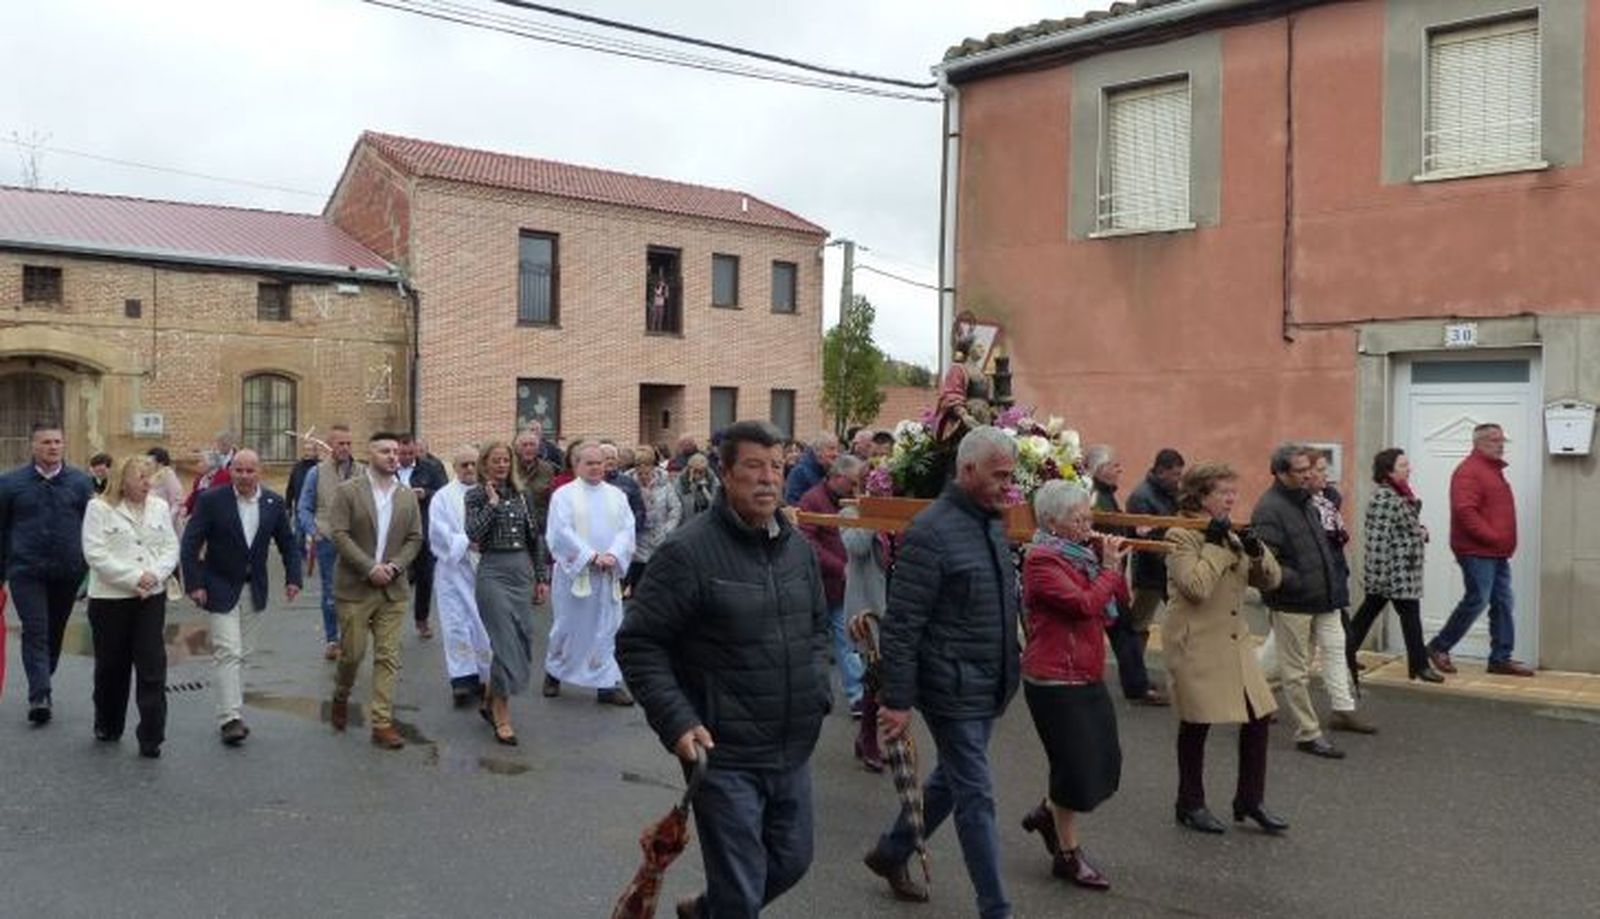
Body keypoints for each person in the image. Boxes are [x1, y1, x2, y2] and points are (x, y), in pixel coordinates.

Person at [619, 420, 829, 919]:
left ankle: (705, 911)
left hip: (792, 745)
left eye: (776, 467)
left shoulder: (798, 551)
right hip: (723, 750)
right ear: (725, 474)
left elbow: (818, 628)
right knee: (741, 892)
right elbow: (639, 642)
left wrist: (818, 690)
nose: (767, 479)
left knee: (792, 861)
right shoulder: (687, 552)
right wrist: (677, 720)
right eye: (753, 466)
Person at [864, 426, 1022, 919]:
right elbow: (904, 622)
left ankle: (891, 851)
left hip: (987, 681)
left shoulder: (992, 524)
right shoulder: (931, 531)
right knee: (976, 794)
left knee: (952, 781)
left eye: (1011, 477)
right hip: (949, 685)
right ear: (968, 470)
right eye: (999, 476)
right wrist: (896, 698)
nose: (1007, 486)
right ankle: (996, 908)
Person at [1164, 462, 1288, 835]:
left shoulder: (1230, 532)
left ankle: (1250, 800)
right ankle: (1190, 803)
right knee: (1196, 722)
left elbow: (1272, 580)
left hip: (1233, 642)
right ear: (1201, 496)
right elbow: (1196, 587)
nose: (1232, 499)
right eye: (1223, 492)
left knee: (1258, 715)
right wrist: (1216, 547)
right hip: (1196, 641)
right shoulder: (1180, 534)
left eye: (1234, 492)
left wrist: (1255, 551)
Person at [1017, 480, 1127, 889]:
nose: (1088, 525)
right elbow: (1084, 606)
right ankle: (1067, 855)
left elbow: (1112, 612)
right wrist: (1109, 571)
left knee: (1104, 762)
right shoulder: (1042, 560)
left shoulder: (1081, 556)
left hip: (1086, 672)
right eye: (1078, 519)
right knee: (1074, 769)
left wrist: (1109, 566)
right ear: (1051, 522)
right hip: (1054, 680)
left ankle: (1047, 812)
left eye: (1089, 517)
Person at [1250, 444, 1372, 759]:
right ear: (1280, 473)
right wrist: (1298, 582)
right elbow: (1266, 562)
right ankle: (1308, 733)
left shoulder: (1307, 501)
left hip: (1322, 597)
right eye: (1301, 471)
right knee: (1295, 671)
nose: (1310, 475)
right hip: (1293, 601)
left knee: (1308, 660)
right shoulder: (1269, 508)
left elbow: (1320, 548)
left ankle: (1251, 697)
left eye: (1310, 469)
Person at [179, 449, 302, 746]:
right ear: (230, 471)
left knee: (244, 653)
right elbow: (191, 543)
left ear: (260, 472)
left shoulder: (273, 503)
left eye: (250, 471)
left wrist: (293, 578)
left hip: (254, 588)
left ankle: (232, 707)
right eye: (239, 471)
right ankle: (230, 718)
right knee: (228, 651)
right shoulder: (212, 501)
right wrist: (194, 583)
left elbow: (288, 543)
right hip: (219, 584)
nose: (244, 477)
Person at [327, 432, 424, 750]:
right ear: (370, 455)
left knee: (388, 656)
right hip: (356, 586)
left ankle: (382, 723)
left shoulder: (407, 496)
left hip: (393, 590)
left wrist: (394, 567)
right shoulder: (348, 492)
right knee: (353, 654)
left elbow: (415, 539)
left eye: (396, 451)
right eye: (385, 451)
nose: (393, 456)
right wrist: (369, 567)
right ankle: (341, 694)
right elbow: (339, 534)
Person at [81, 455, 179, 757]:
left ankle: (151, 736)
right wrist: (134, 577)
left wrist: (156, 575)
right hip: (110, 599)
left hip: (151, 597)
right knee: (112, 666)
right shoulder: (99, 508)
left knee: (152, 665)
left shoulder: (159, 507)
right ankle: (108, 723)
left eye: (150, 477)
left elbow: (170, 546)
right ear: (122, 481)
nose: (148, 484)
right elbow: (95, 554)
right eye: (141, 478)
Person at [0, 423, 96, 724]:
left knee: (55, 631)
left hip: (67, 570)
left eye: (57, 442)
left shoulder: (80, 482)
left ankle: (44, 673)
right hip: (26, 570)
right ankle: (39, 694)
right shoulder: (10, 484)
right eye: (46, 442)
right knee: (36, 629)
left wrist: (90, 566)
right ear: (33, 447)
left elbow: (92, 527)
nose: (53, 447)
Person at [1426, 423, 1534, 677]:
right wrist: (1492, 536)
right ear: (1479, 443)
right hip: (1476, 550)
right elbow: (1465, 512)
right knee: (1478, 600)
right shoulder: (1469, 472)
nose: (1500, 444)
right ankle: (1439, 646)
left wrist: (1499, 542)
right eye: (1494, 440)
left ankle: (1500, 659)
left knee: (1503, 602)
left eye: (1502, 440)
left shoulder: (1492, 471)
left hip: (1496, 552)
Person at [466, 441, 551, 745]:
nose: (501, 465)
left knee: (522, 636)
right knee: (503, 643)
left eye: (505, 460)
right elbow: (473, 534)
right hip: (493, 571)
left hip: (521, 571)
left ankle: (490, 695)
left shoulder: (522, 494)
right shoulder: (475, 494)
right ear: (484, 464)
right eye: (495, 460)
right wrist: (491, 504)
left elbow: (535, 539)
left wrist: (541, 577)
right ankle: (502, 715)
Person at [544, 441, 636, 704]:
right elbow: (560, 531)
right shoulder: (564, 495)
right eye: (590, 463)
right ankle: (555, 672)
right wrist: (590, 556)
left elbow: (626, 530)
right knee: (568, 625)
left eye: (600, 463)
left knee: (608, 626)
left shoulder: (616, 495)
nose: (596, 468)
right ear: (577, 465)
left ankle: (607, 684)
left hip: (606, 574)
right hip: (577, 574)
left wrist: (614, 555)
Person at [1347, 449, 1442, 683]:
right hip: (1392, 574)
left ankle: (1344, 656)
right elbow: (1377, 540)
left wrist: (1419, 532)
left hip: (1401, 571)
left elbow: (1402, 529)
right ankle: (1420, 666)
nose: (1409, 468)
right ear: (1388, 471)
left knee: (1367, 616)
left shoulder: (1399, 495)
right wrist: (1379, 578)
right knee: (1409, 617)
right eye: (1403, 465)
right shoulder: (1384, 498)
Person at [1083, 444, 1162, 707]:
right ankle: (1136, 686)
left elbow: (1112, 528)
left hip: (1110, 574)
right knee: (1123, 631)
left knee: (1122, 631)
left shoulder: (1102, 495)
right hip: (1103, 575)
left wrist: (1132, 532)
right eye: (1115, 465)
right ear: (1100, 469)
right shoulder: (1096, 498)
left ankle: (1136, 683)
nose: (1119, 469)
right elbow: (1098, 533)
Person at [796, 454, 867, 716]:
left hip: (841, 588)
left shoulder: (849, 500)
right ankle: (814, 696)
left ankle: (857, 695)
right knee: (815, 645)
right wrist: (840, 566)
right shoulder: (812, 500)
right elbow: (808, 543)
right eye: (852, 482)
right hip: (819, 587)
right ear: (836, 477)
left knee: (846, 641)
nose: (855, 488)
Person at [431, 446, 495, 706]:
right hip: (453, 571)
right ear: (455, 468)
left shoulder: (490, 492)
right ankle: (461, 680)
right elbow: (438, 531)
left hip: (485, 570)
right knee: (456, 624)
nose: (469, 469)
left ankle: (483, 677)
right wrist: (466, 542)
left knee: (482, 626)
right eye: (464, 465)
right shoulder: (443, 497)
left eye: (473, 464)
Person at [1123, 448, 1184, 706]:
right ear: (1160, 470)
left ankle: (1144, 677)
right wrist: (1171, 561)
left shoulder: (1171, 493)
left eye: (1180, 474)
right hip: (1151, 572)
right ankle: (1136, 679)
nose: (1178, 479)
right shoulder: (1141, 497)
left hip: (1168, 569)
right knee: (1139, 624)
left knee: (1178, 623)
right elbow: (1144, 539)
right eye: (1174, 474)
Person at [298, 424, 363, 660]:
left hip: (358, 541)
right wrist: (313, 531)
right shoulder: (316, 473)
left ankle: (352, 638)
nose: (345, 448)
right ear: (330, 446)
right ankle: (332, 639)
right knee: (330, 591)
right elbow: (304, 507)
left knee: (357, 590)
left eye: (348, 443)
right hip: (328, 539)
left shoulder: (363, 472)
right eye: (340, 443)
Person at [841, 495, 890, 773]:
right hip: (868, 609)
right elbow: (856, 546)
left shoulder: (902, 516)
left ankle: (867, 737)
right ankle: (869, 739)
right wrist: (875, 515)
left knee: (884, 676)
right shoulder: (850, 513)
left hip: (895, 604)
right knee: (876, 674)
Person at [398, 433, 448, 639]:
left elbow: (444, 492)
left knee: (425, 578)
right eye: (403, 453)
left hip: (423, 530)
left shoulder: (430, 468)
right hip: (396, 533)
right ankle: (391, 621)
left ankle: (422, 619)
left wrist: (425, 493)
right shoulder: (388, 468)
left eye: (411, 453)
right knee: (395, 578)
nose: (407, 457)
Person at [624, 447, 681, 596]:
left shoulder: (665, 484)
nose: (643, 473)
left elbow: (675, 509)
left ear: (653, 466)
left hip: (659, 541)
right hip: (637, 542)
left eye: (646, 466)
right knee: (638, 588)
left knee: (659, 588)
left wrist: (667, 530)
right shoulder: (629, 485)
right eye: (639, 467)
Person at [182, 431, 237, 517]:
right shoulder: (200, 478)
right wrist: (186, 507)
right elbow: (194, 494)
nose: (198, 465)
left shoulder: (225, 475)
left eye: (201, 462)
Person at [514, 427, 558, 528]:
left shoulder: (547, 468)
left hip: (540, 523)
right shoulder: (511, 467)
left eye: (532, 445)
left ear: (538, 448)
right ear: (517, 448)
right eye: (524, 445)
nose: (528, 448)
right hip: (517, 521)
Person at [783, 432, 840, 505]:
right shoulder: (799, 472)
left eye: (837, 449)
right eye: (831, 449)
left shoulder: (830, 472)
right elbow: (792, 504)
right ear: (818, 451)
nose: (836, 454)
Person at [146, 447, 185, 531]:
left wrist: (168, 521)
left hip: (166, 523)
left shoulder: (169, 475)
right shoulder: (151, 477)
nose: (148, 465)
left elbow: (177, 501)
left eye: (150, 462)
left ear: (160, 463)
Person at [284, 438, 321, 524]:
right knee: (298, 536)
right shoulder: (297, 467)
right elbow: (290, 489)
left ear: (315, 452)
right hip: (299, 511)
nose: (307, 453)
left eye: (309, 450)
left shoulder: (320, 468)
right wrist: (288, 506)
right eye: (305, 450)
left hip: (316, 513)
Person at [677, 452, 719, 519]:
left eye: (701, 472)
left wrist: (704, 490)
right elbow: (684, 507)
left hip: (709, 514)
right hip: (690, 516)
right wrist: (691, 488)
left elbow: (715, 503)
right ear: (690, 469)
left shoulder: (711, 477)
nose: (698, 475)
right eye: (695, 471)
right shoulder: (681, 480)